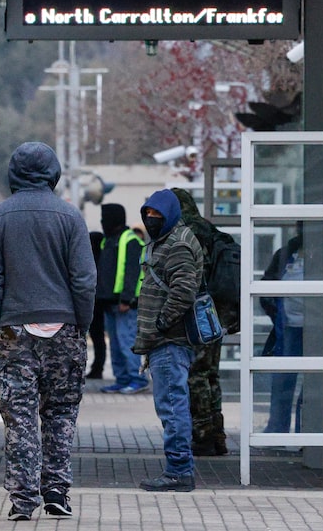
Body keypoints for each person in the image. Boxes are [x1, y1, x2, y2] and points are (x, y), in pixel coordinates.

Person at [0, 142, 96, 521]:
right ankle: (57, 492)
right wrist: (81, 324)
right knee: (61, 412)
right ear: (54, 173)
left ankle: (23, 500)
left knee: (19, 415)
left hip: (12, 330)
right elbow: (84, 280)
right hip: (64, 328)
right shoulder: (70, 217)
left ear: (13, 174)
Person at [133, 189, 204, 492]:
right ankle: (179, 467)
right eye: (148, 215)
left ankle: (179, 470)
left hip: (170, 341)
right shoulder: (165, 240)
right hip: (164, 340)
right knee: (172, 405)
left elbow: (184, 291)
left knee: (173, 406)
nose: (151, 221)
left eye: (156, 217)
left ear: (170, 216)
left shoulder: (177, 244)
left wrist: (161, 324)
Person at [171, 188, 237, 456]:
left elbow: (192, 276)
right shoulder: (211, 229)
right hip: (218, 315)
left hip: (200, 315)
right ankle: (217, 433)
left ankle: (203, 435)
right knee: (210, 373)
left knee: (196, 373)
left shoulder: (188, 232)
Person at [96, 204, 148, 394]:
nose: (103, 223)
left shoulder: (130, 241)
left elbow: (132, 272)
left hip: (125, 304)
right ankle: (122, 378)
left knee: (127, 342)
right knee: (116, 345)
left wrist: (126, 299)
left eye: (105, 219)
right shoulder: (107, 241)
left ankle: (137, 379)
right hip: (109, 302)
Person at [260, 223, 304, 434]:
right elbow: (266, 286)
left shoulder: (321, 252)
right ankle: (277, 429)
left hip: (316, 329)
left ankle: (307, 433)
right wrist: (276, 314)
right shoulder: (286, 253)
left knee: (315, 383)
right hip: (288, 327)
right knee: (282, 382)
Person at [86, 231, 107, 379]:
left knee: (96, 336)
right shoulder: (104, 257)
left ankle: (97, 368)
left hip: (94, 303)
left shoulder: (90, 258)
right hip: (101, 302)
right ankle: (97, 367)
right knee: (98, 338)